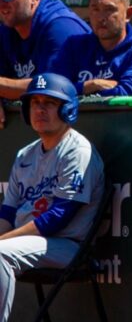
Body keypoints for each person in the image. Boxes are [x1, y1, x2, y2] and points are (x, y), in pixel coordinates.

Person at [0, 72, 105, 322]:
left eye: (49, 103)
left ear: (68, 110)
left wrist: (3, 238)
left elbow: (57, 218)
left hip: (67, 245)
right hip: (31, 242)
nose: (40, 109)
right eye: (35, 103)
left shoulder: (77, 151)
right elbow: (8, 211)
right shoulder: (26, 154)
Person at [0, 0, 90, 128]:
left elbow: (49, 88)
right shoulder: (7, 28)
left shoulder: (60, 27)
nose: (1, 3)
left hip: (82, 125)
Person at [53, 0, 132, 96]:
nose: (100, 18)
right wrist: (92, 85)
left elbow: (128, 93)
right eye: (95, 9)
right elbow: (54, 91)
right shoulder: (74, 46)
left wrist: (75, 91)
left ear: (128, 14)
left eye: (109, 10)